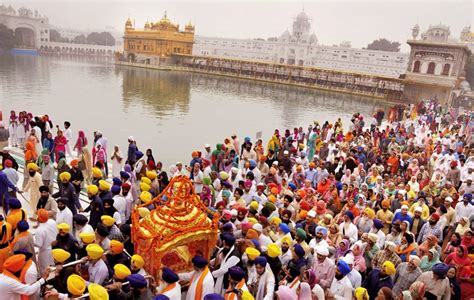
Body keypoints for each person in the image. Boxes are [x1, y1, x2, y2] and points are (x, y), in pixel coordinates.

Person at [34, 209, 58, 273]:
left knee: (44, 269)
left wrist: (32, 241)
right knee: (53, 266)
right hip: (54, 248)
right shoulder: (52, 221)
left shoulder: (39, 230)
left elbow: (39, 244)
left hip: (45, 252)